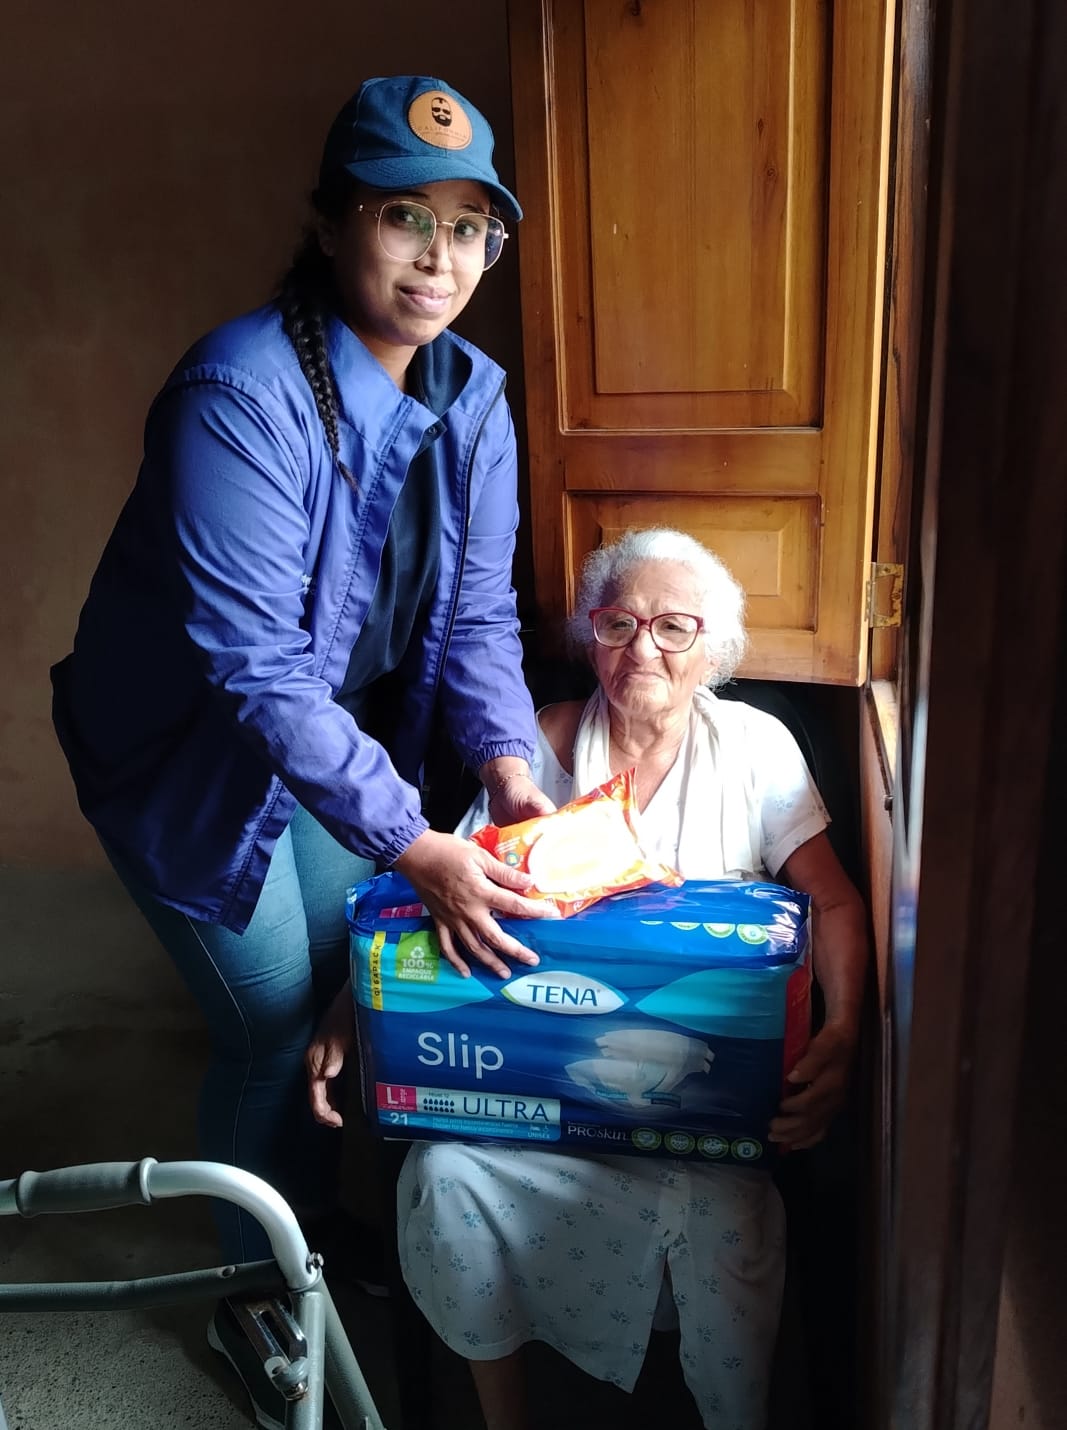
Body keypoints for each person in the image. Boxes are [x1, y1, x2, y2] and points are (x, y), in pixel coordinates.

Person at [50, 73, 559, 1428]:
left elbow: (476, 615)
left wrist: (508, 766)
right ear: (333, 223)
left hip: (325, 751)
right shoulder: (237, 391)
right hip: (188, 759)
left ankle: (312, 1233)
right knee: (271, 1025)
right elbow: (257, 671)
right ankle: (252, 1295)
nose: (439, 258)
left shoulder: (474, 396)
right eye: (404, 216)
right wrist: (415, 838)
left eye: (468, 227)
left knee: (353, 968)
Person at [308, 527, 869, 1430]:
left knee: (729, 1216)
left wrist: (842, 1033)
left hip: (693, 1113)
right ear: (591, 637)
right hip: (533, 1092)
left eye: (673, 627)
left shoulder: (756, 749)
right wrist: (352, 1006)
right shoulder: (541, 741)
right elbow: (439, 891)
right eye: (618, 623)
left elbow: (832, 903)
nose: (642, 647)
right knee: (446, 1174)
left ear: (713, 650)